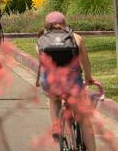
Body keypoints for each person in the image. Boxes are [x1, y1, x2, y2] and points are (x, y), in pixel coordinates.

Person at [37, 11, 98, 151]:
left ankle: (56, 126)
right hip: (72, 84)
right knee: (84, 119)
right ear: (65, 23)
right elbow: (85, 63)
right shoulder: (76, 38)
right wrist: (88, 78)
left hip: (52, 83)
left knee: (54, 98)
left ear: (47, 25)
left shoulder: (41, 40)